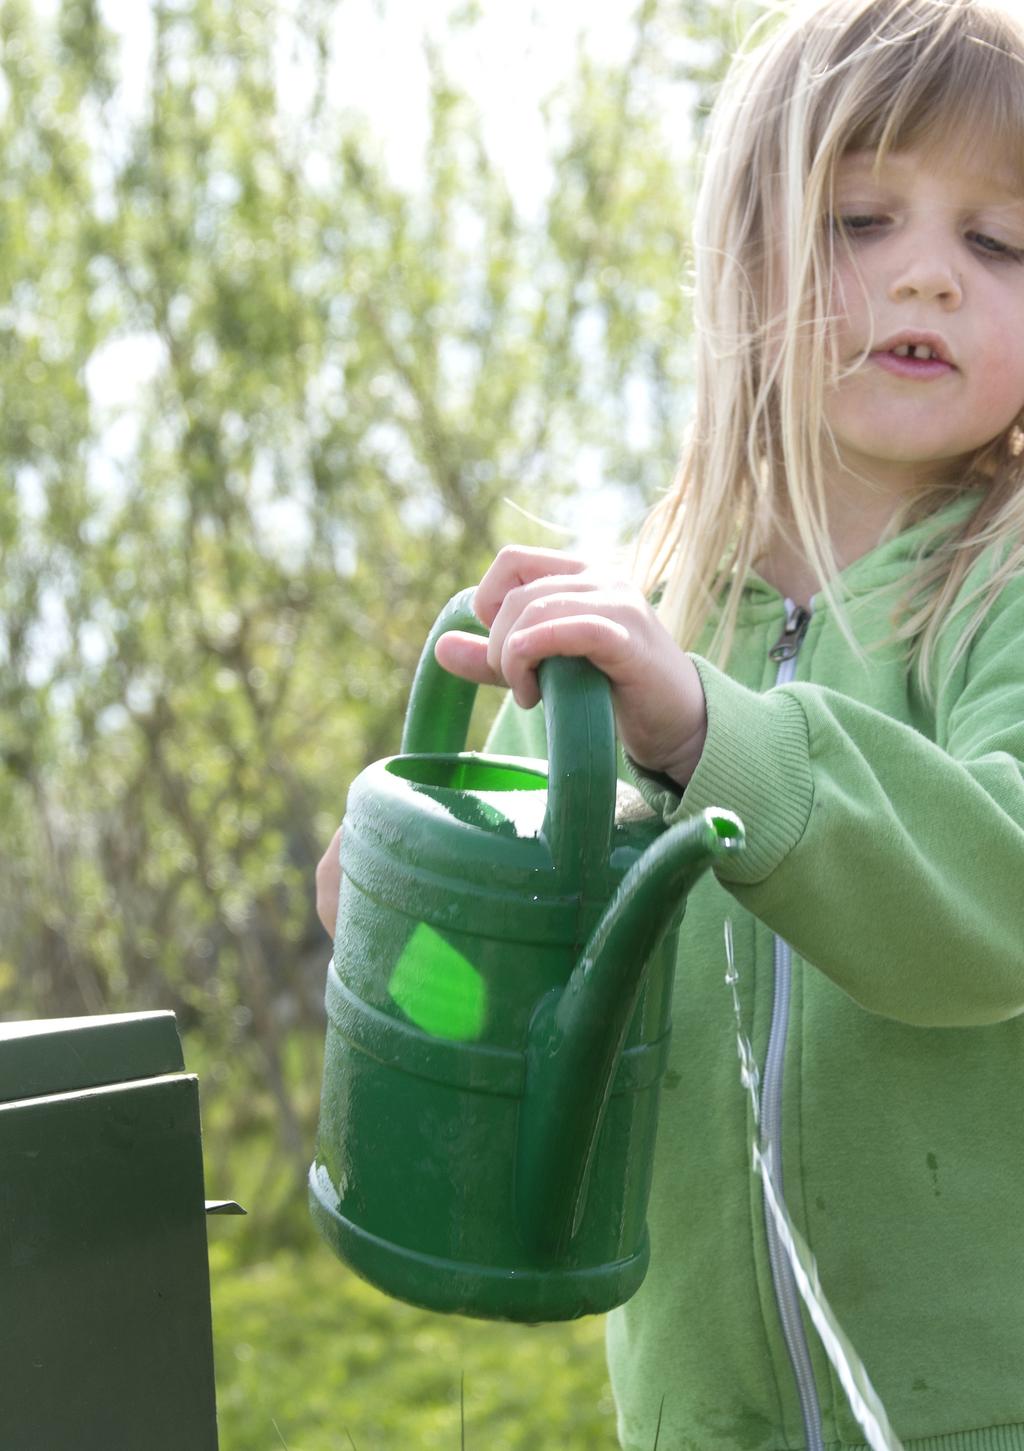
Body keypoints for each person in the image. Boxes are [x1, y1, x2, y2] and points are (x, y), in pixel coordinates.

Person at [316, 1, 1024, 1446]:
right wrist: (411, 931)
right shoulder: (628, 628)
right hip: (698, 1419)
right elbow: (516, 989)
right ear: (738, 263)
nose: (931, 280)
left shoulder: (1001, 585)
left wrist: (717, 733)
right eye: (860, 220)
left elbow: (1000, 899)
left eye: (998, 243)